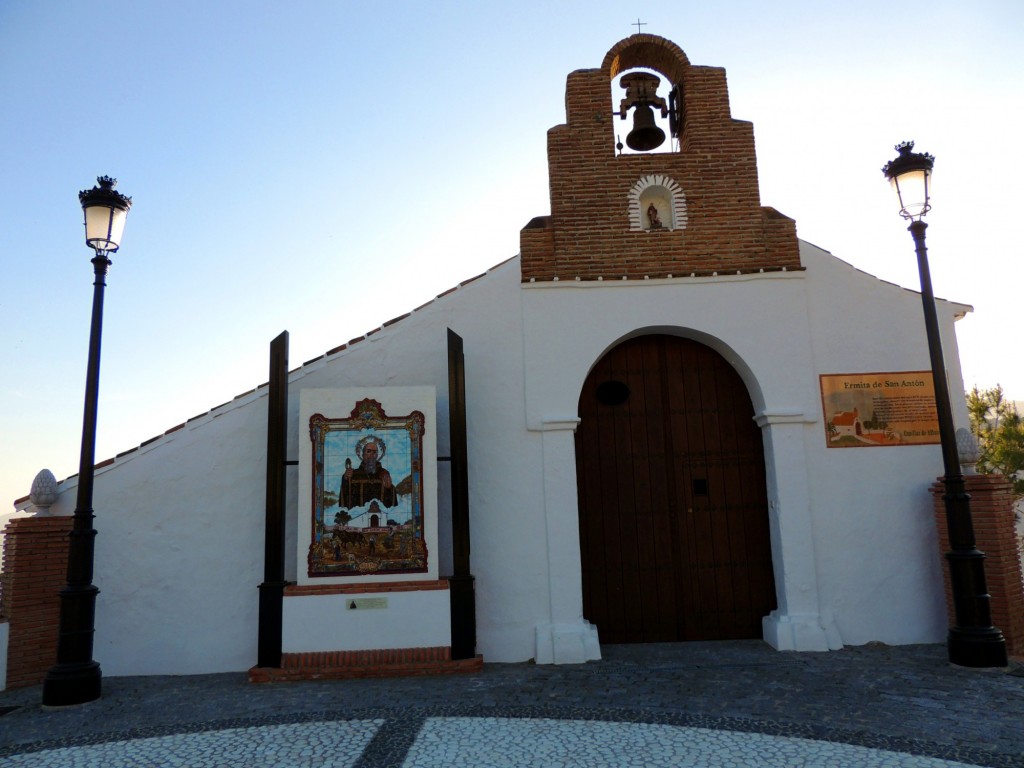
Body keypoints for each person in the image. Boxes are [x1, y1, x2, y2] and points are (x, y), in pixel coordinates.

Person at [339, 436, 396, 509]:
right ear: (362, 454)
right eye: (369, 451)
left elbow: (390, 502)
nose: (372, 454)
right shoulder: (354, 474)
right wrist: (346, 478)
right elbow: (346, 495)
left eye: (375, 452)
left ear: (377, 455)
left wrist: (389, 488)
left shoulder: (384, 473)